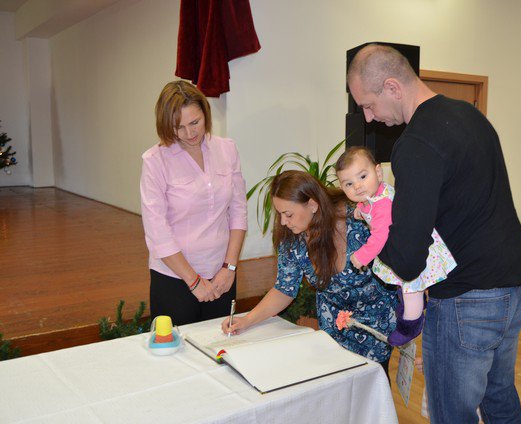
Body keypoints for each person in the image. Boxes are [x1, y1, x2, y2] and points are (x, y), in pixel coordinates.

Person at [347, 44, 521, 423]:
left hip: (469, 298)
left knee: (452, 414)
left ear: (392, 87)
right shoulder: (470, 115)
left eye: (368, 105)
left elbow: (407, 259)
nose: (368, 117)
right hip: (514, 283)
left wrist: (372, 230)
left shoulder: (415, 143)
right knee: (499, 397)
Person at [221, 170, 398, 374]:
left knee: (373, 383)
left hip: (377, 325)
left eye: (288, 214)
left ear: (313, 205)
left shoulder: (360, 217)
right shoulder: (292, 239)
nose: (283, 222)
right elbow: (284, 289)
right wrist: (247, 320)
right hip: (334, 330)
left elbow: (398, 259)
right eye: (279, 214)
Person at [140, 80, 247, 326]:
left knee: (220, 344)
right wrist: (194, 281)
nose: (189, 133)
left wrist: (229, 267)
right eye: (178, 127)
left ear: (205, 113)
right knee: (175, 347)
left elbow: (238, 211)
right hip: (174, 277)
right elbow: (157, 232)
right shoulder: (155, 160)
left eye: (195, 122)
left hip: (222, 274)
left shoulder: (227, 149)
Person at [335, 146, 456, 346]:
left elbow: (380, 235)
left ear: (378, 172)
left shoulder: (382, 204)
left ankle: (410, 325)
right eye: (349, 183)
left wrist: (362, 255)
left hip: (412, 251)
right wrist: (360, 211)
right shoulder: (374, 195)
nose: (357, 186)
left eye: (362, 176)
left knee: (411, 287)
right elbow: (368, 208)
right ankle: (414, 306)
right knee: (404, 285)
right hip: (402, 247)